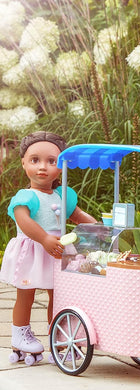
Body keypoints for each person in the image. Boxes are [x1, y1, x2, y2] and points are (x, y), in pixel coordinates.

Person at [0, 131, 96, 364]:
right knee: (26, 295)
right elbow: (24, 220)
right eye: (35, 160)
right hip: (34, 250)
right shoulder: (26, 196)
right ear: (24, 163)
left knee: (60, 296)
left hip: (59, 251)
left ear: (61, 166)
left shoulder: (63, 195)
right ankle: (20, 335)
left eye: (51, 161)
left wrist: (97, 226)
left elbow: (78, 216)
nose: (42, 167)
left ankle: (59, 336)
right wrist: (43, 238)